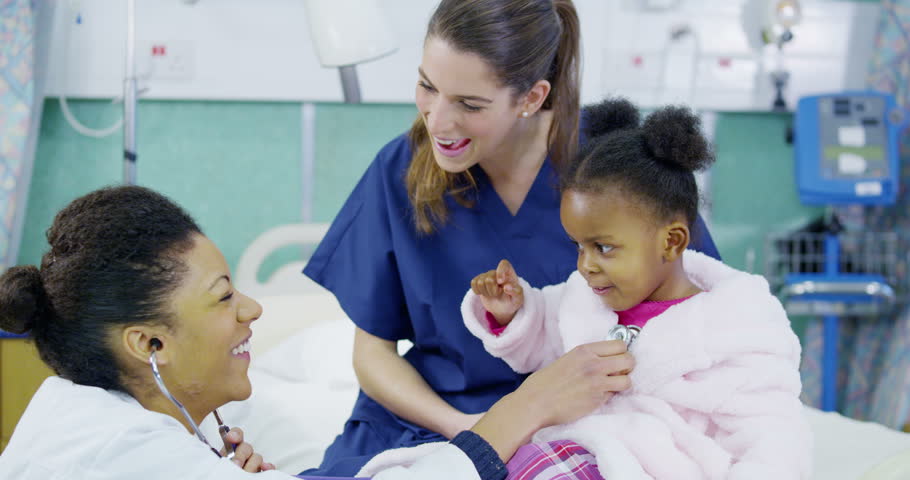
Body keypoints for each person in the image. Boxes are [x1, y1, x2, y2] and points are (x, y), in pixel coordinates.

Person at [302, 0, 721, 476]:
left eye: (469, 104)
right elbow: (371, 355)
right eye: (427, 86)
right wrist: (472, 430)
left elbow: (696, 315)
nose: (437, 121)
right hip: (425, 423)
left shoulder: (617, 167)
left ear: (532, 97)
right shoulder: (399, 169)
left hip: (578, 430)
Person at [0, 185, 634, 480]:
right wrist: (526, 406)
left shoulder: (84, 412)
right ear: (148, 344)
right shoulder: (126, 455)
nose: (253, 309)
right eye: (223, 298)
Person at [457, 99, 811, 479]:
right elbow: (541, 332)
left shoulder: (734, 334)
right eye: (578, 246)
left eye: (603, 248)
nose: (585, 265)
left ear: (672, 242)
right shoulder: (584, 301)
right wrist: (511, 310)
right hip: (564, 449)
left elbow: (774, 443)